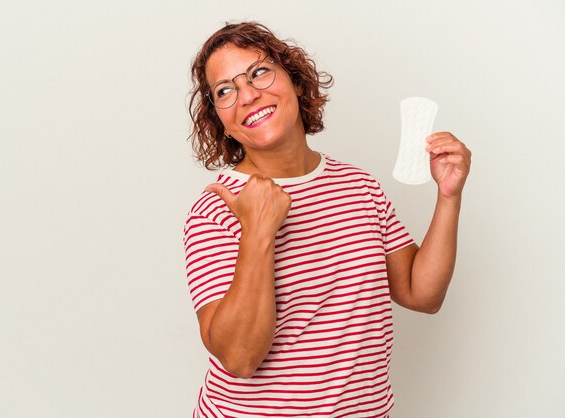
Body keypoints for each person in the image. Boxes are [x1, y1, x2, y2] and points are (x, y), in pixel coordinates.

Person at [183, 21, 471, 418]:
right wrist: (258, 232)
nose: (247, 95)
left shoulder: (359, 186)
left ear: (296, 82)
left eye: (259, 72)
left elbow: (421, 294)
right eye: (225, 90)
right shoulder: (218, 208)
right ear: (221, 121)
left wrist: (448, 196)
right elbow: (240, 358)